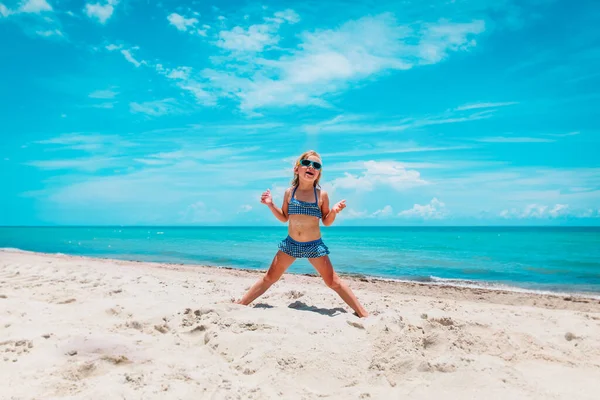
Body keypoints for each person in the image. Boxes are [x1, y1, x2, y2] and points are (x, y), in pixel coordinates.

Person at [236, 150, 369, 318]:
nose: (311, 167)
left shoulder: (321, 195)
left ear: (319, 173)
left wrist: (334, 211)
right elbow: (284, 218)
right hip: (291, 244)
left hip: (314, 245)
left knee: (333, 281)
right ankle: (241, 304)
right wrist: (270, 205)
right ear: (296, 169)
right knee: (269, 278)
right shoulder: (289, 193)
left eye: (316, 165)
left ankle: (363, 313)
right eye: (307, 163)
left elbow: (326, 221)